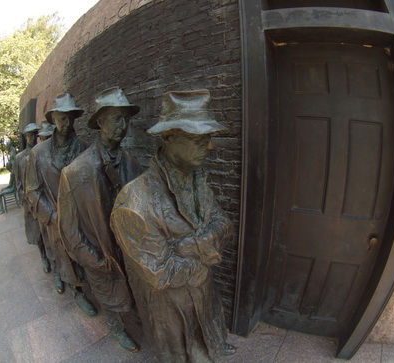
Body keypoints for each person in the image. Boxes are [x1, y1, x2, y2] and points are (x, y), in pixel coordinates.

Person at [111, 89, 236, 362]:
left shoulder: (197, 179)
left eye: (209, 138)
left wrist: (190, 245)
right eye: (197, 139)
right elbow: (160, 273)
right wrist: (206, 256)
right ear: (168, 138)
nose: (210, 146)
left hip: (204, 296)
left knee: (209, 341)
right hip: (172, 310)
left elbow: (224, 224)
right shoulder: (135, 202)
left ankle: (213, 344)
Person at [58, 87, 141, 352]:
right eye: (116, 118)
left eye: (126, 119)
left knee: (130, 288)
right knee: (109, 293)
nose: (123, 125)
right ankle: (117, 328)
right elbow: (69, 230)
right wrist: (94, 260)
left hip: (129, 248)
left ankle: (135, 313)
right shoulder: (76, 172)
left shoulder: (131, 162)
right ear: (100, 122)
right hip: (100, 252)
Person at [25, 93, 97, 316]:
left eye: (70, 118)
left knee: (86, 251)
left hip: (81, 216)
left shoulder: (84, 149)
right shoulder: (38, 154)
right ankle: (77, 291)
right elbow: (32, 191)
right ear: (53, 119)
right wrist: (53, 216)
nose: (66, 124)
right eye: (61, 119)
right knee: (63, 255)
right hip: (55, 217)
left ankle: (91, 285)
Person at [14, 123, 50, 273]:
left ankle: (54, 260)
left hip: (43, 198)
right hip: (29, 203)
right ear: (25, 137)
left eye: (34, 135)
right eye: (29, 135)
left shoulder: (41, 153)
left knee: (48, 232)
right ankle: (43, 257)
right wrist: (25, 202)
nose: (32, 138)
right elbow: (18, 184)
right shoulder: (19, 158)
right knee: (37, 234)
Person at [0, 140, 18, 215]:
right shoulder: (12, 151)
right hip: (12, 187)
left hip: (12, 189)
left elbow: (10, 186)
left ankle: (2, 209)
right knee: (1, 191)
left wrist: (4, 189)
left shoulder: (13, 174)